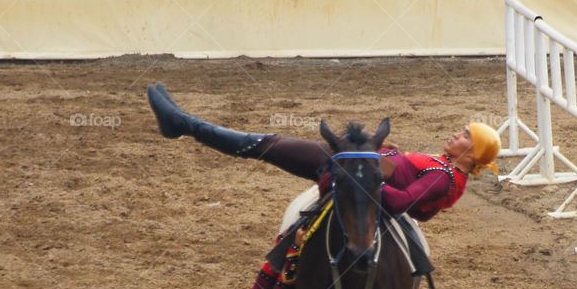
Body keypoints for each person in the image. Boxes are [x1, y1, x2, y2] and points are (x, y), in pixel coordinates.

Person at [146, 83, 500, 225]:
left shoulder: (443, 177)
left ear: (473, 154)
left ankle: (183, 124)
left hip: (354, 174)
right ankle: (185, 124)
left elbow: (399, 202)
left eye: (465, 135)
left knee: (266, 145)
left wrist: (363, 174)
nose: (456, 133)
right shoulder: (445, 169)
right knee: (268, 144)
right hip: (358, 164)